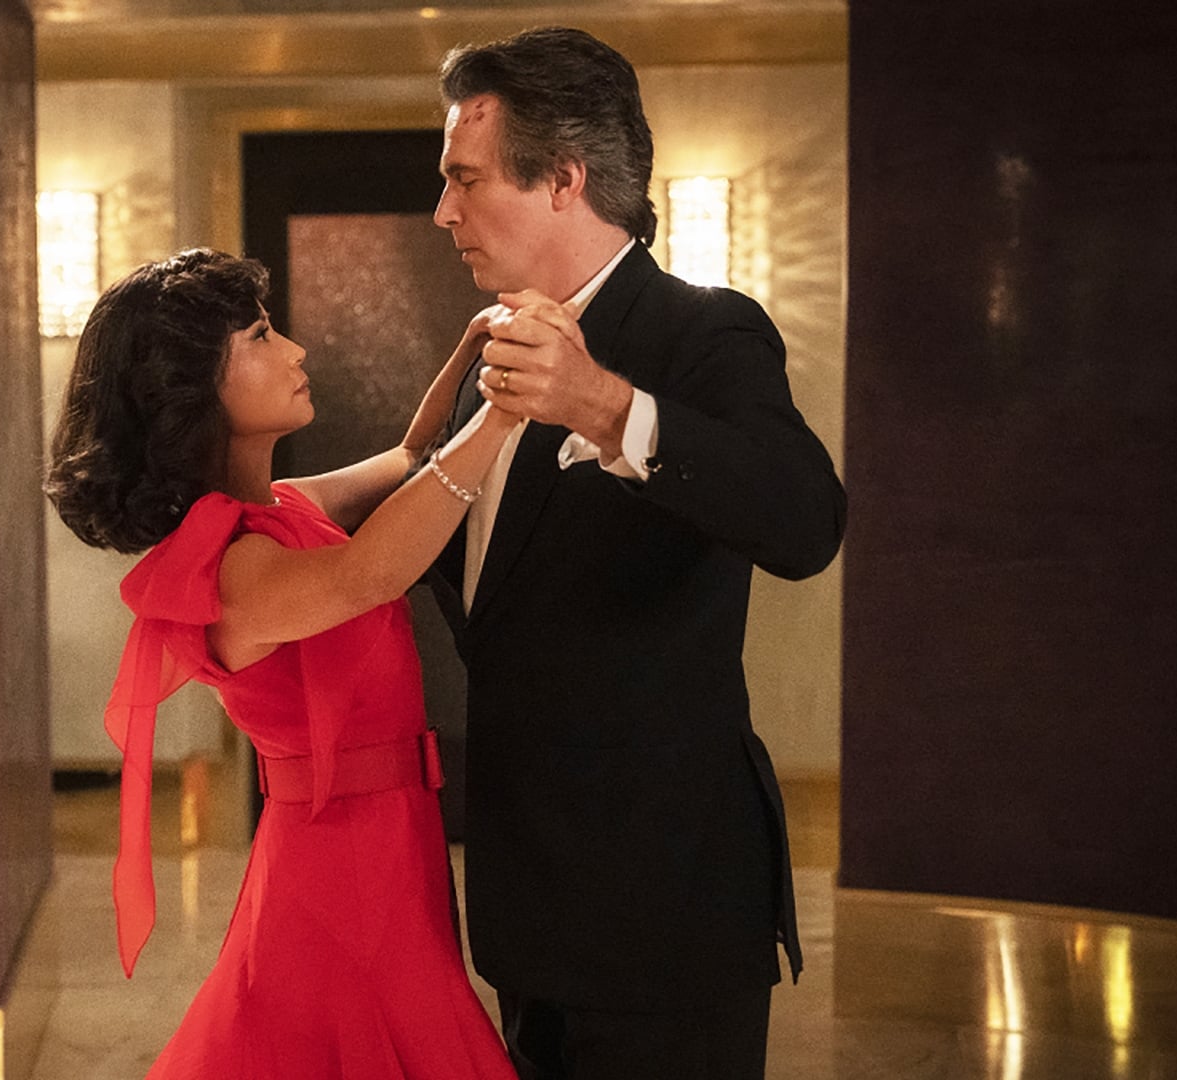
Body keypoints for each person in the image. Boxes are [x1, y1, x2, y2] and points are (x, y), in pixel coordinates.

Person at [424, 27, 849, 1080]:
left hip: (666, 908)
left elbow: (808, 522)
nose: (443, 213)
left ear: (563, 180)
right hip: (527, 908)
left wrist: (609, 410)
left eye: (464, 180)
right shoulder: (490, 348)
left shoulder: (703, 333)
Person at [44, 248, 523, 1079]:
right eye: (262, 336)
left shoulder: (287, 509)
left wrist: (472, 351)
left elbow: (413, 459)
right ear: (195, 388)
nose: (296, 351)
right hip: (338, 868)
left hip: (390, 844)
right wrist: (507, 412)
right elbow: (369, 574)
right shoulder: (229, 567)